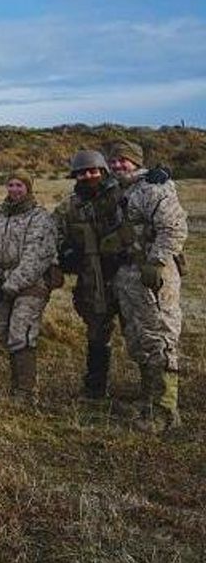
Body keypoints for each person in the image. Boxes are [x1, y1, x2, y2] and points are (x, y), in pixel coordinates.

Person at [107, 140, 188, 431]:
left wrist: (156, 262)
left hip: (154, 274)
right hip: (129, 275)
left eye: (123, 161)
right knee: (139, 336)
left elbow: (174, 227)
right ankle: (148, 401)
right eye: (114, 161)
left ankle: (166, 412)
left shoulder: (154, 188)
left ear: (136, 162)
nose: (118, 166)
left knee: (159, 336)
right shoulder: (120, 190)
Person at [53, 150, 126, 400]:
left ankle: (153, 396)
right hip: (92, 279)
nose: (87, 176)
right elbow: (54, 233)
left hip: (127, 275)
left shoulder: (122, 194)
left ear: (103, 171)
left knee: (140, 335)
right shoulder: (71, 205)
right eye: (82, 173)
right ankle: (95, 389)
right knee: (96, 334)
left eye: (93, 171)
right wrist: (65, 253)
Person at [0, 171, 57, 403]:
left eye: (19, 185)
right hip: (3, 284)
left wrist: (11, 284)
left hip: (31, 285)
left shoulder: (39, 218)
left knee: (21, 332)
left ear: (29, 188)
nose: (14, 189)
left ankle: (26, 392)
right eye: (11, 184)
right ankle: (15, 386)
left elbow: (36, 257)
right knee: (5, 333)